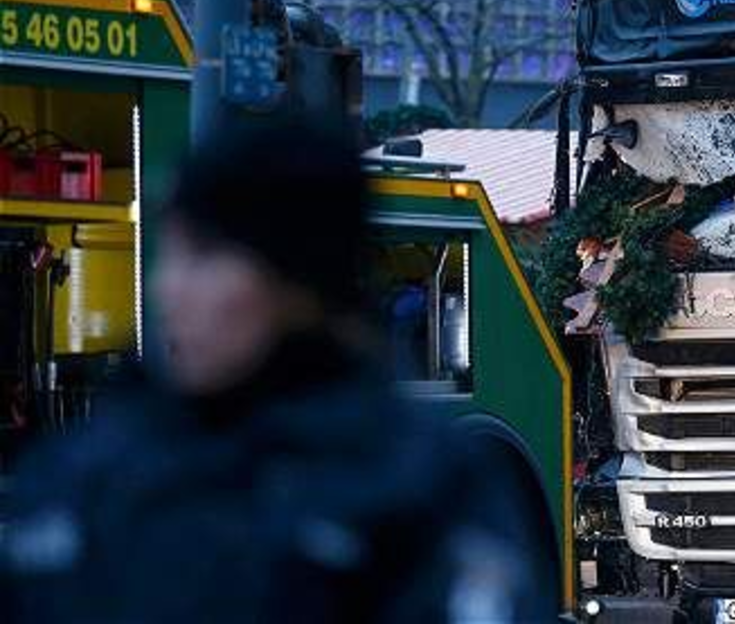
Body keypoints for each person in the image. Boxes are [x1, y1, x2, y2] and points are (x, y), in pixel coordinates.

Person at [0, 119, 553, 623]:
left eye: (205, 256)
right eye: (171, 256)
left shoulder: (419, 491)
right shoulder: (85, 475)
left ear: (301, 281)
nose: (168, 290)